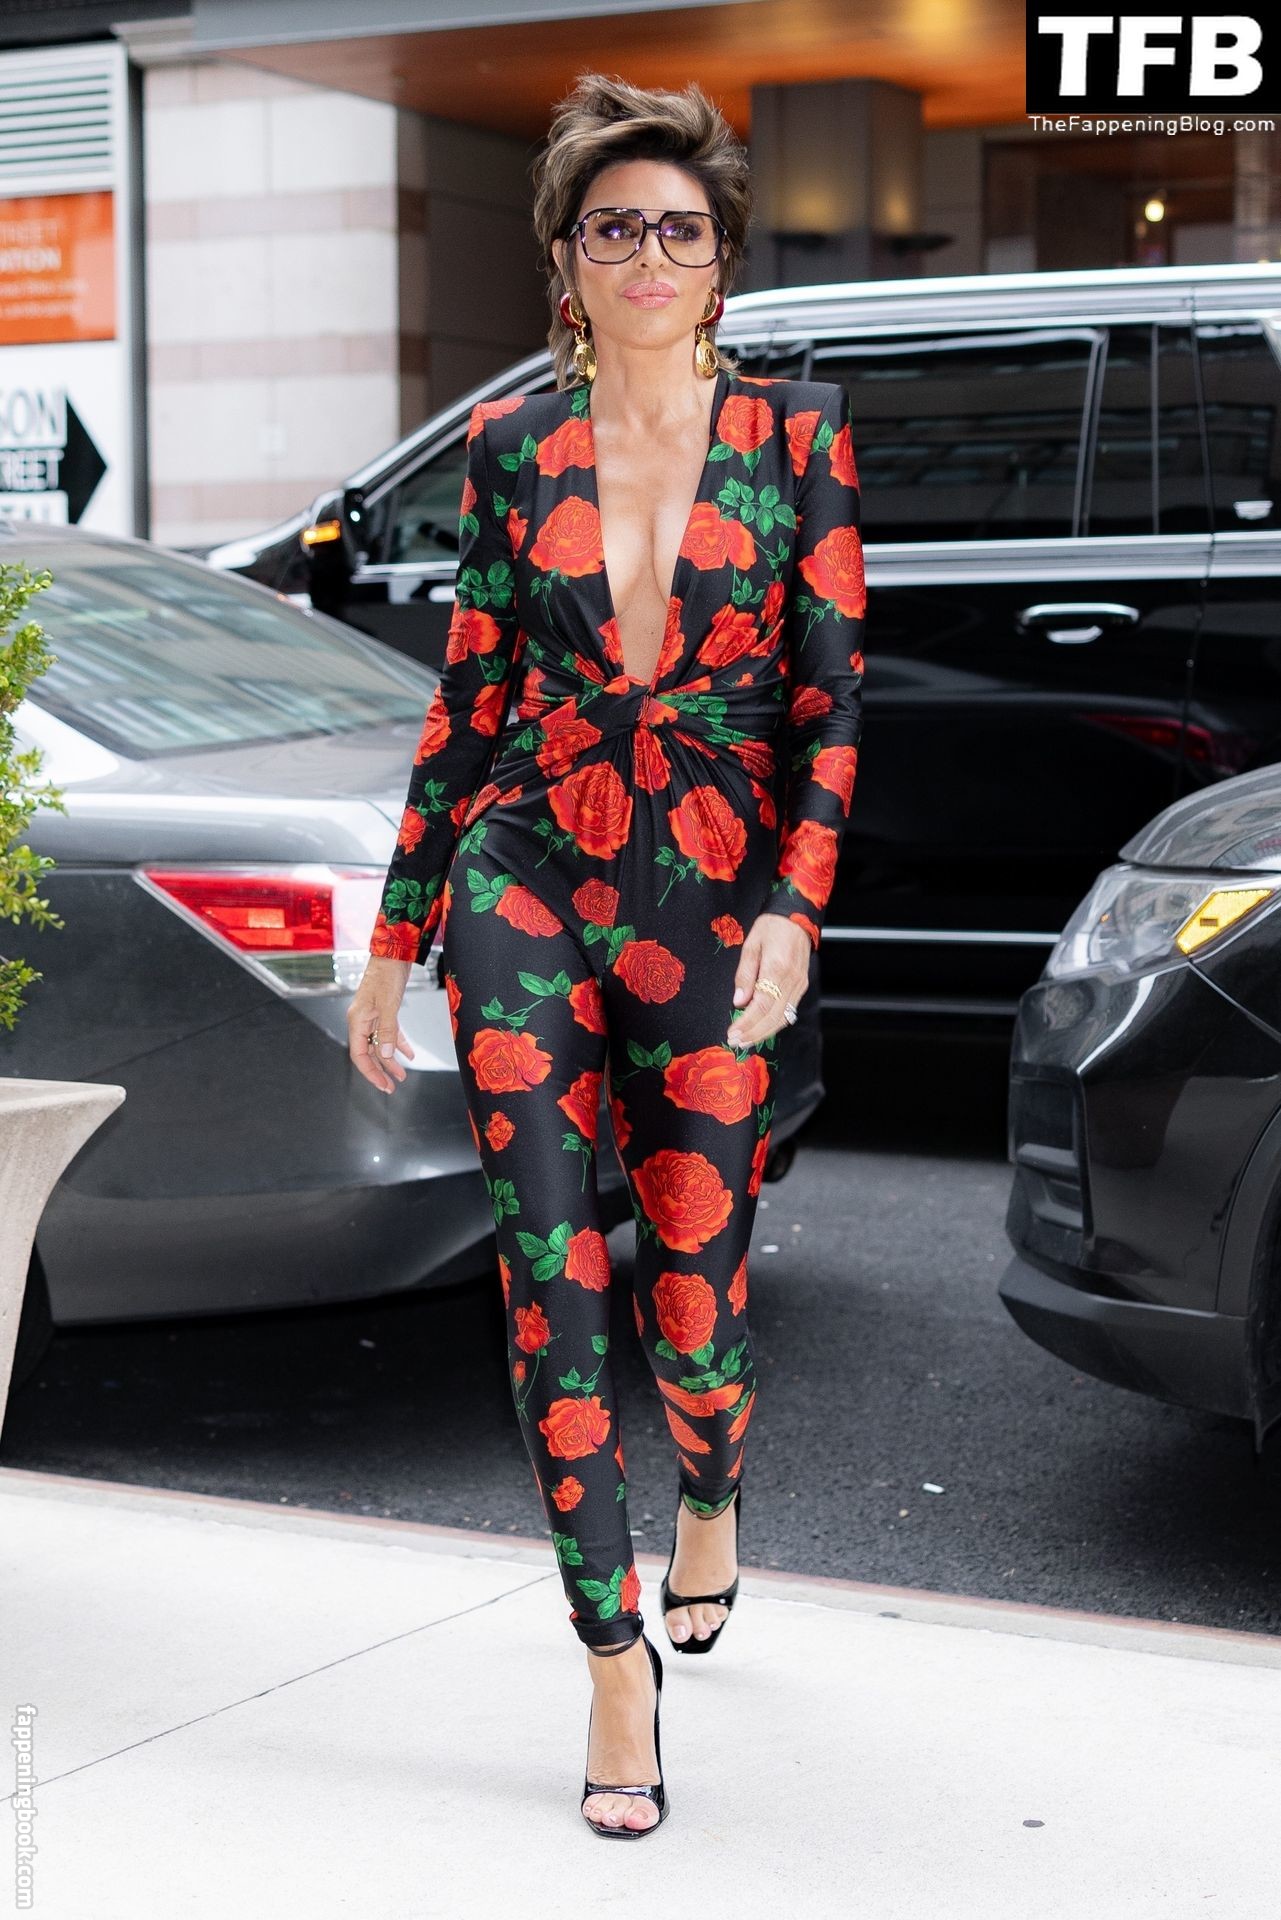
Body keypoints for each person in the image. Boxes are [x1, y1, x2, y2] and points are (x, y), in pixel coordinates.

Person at [346, 69, 865, 1838]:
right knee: (548, 1277)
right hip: (526, 880)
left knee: (695, 1308)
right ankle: (608, 1656)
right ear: (565, 260)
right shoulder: (510, 450)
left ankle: (710, 1483)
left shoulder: (797, 442)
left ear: (721, 262)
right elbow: (467, 701)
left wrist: (793, 908)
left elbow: (832, 705)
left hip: (711, 900)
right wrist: (394, 936)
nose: (649, 255)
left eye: (680, 229)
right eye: (613, 226)